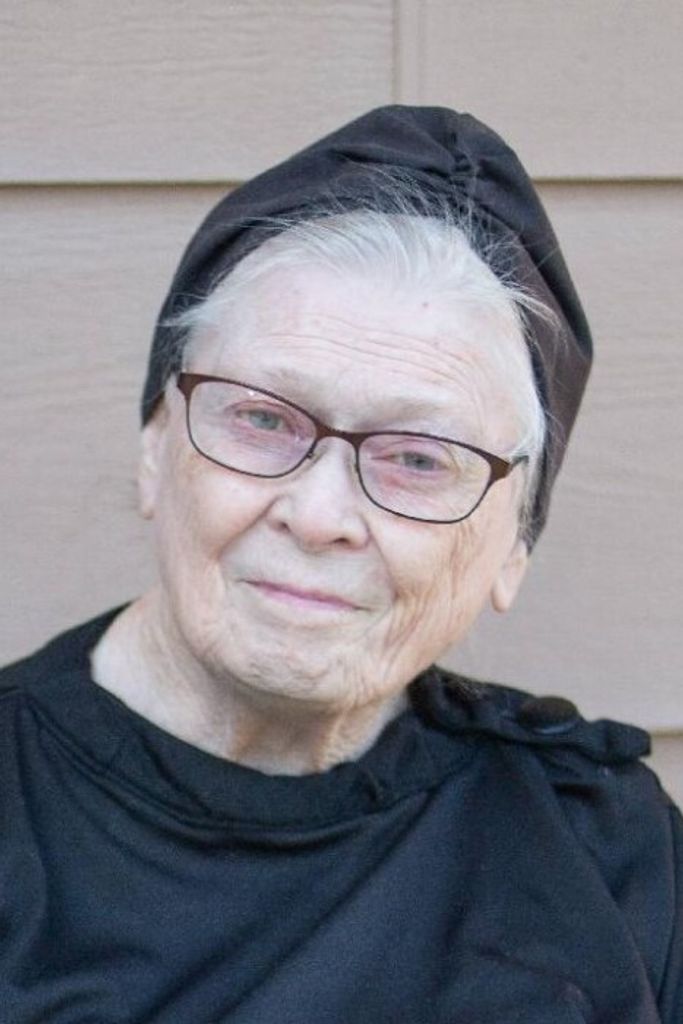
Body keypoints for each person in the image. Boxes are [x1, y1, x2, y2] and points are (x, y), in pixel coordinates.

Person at [1, 106, 680, 1023]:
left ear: (513, 548)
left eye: (418, 459)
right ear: (156, 447)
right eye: (262, 419)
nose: (319, 516)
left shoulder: (606, 851)